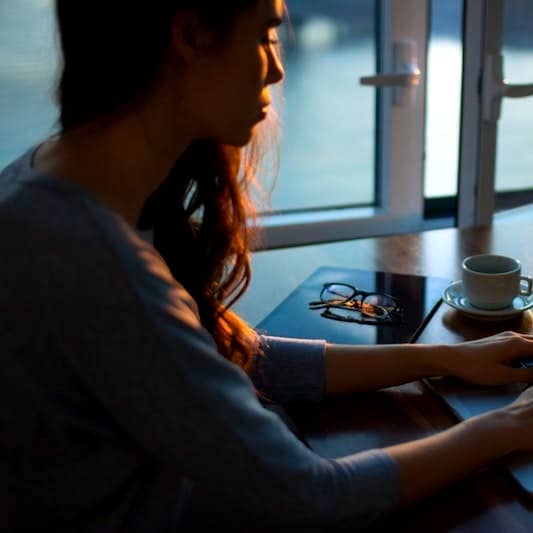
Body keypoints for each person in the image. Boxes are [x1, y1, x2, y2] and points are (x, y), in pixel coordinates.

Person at [2, 0, 533, 531]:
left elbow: (227, 357)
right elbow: (313, 496)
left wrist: (442, 357)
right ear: (189, 36)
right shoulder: (98, 268)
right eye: (266, 35)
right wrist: (507, 425)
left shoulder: (47, 179)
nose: (277, 68)